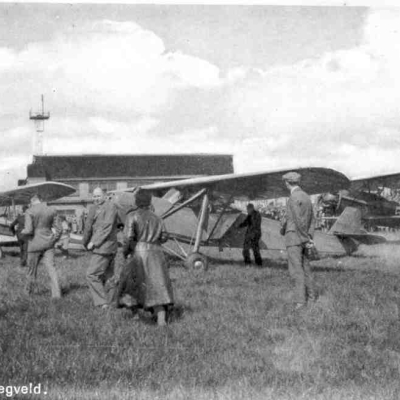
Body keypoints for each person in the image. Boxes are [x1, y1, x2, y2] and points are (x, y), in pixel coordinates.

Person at [122, 189, 173, 326]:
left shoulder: (131, 216)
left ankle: (135, 316)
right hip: (157, 254)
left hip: (138, 253)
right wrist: (154, 242)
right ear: (150, 201)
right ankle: (161, 320)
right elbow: (165, 236)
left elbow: (128, 238)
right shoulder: (157, 217)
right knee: (158, 286)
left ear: (136, 201)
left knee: (133, 286)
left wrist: (126, 252)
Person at [280, 172, 316, 309]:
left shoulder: (293, 197)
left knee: (296, 271)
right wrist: (309, 236)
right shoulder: (306, 196)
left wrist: (304, 238)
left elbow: (298, 219)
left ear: (287, 183)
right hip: (304, 237)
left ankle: (300, 302)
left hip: (294, 238)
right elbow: (312, 219)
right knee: (306, 269)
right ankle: (312, 298)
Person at [83, 187, 119, 309]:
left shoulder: (110, 206)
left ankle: (102, 302)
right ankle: (113, 302)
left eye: (98, 196)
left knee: (91, 274)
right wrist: (86, 241)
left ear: (105, 196)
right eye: (94, 196)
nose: (96, 198)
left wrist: (93, 242)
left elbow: (106, 227)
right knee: (109, 276)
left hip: (104, 247)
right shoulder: (95, 208)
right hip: (106, 247)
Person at [21, 194, 62, 298]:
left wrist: (22, 231)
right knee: (52, 269)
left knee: (31, 271)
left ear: (32, 201)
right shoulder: (52, 210)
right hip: (49, 243)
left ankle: (28, 293)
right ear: (41, 199)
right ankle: (57, 295)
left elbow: (29, 230)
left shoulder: (29, 211)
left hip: (34, 244)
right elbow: (59, 229)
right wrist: (54, 239)